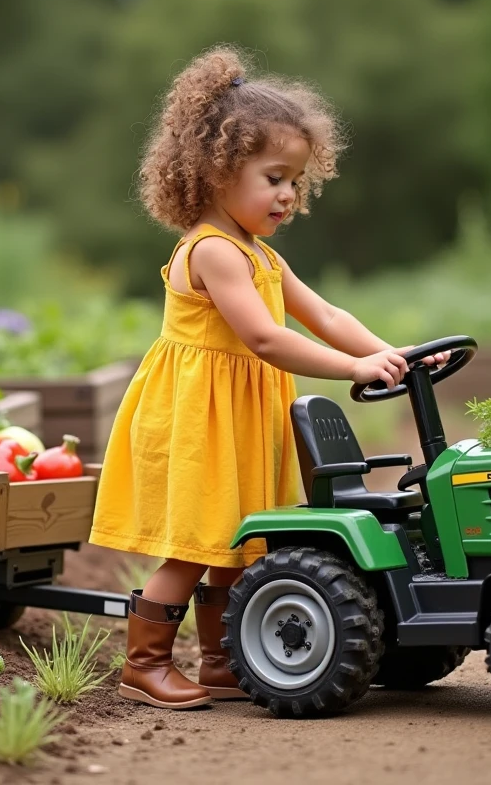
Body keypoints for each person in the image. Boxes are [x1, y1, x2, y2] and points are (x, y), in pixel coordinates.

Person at [88, 45, 449, 710]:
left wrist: (395, 352)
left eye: (296, 182)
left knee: (242, 540)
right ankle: (144, 664)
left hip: (242, 414)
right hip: (198, 415)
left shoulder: (261, 256)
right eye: (274, 177)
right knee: (192, 547)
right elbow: (265, 338)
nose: (287, 195)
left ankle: (224, 661)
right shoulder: (213, 251)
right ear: (217, 172)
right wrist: (352, 369)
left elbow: (327, 315)